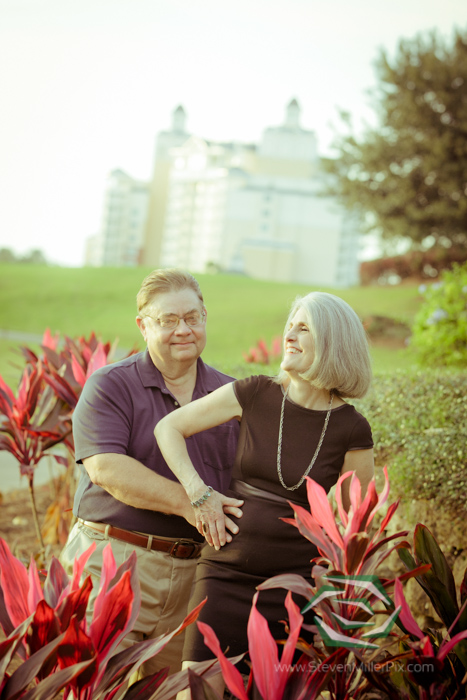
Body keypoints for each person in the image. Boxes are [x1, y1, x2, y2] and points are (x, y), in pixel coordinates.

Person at [155, 291, 375, 696]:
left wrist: (335, 582)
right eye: (290, 325)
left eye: (304, 328)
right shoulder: (255, 393)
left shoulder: (351, 428)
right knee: (197, 692)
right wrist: (199, 493)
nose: (289, 334)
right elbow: (168, 428)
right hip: (224, 576)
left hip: (294, 590)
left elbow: (354, 520)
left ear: (333, 342)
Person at [59, 268, 243, 678]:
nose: (184, 330)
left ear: (205, 317)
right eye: (168, 320)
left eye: (192, 317)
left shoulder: (228, 396)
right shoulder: (110, 385)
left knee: (178, 689)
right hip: (112, 562)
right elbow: (106, 467)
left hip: (195, 576)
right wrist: (191, 502)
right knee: (92, 683)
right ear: (143, 326)